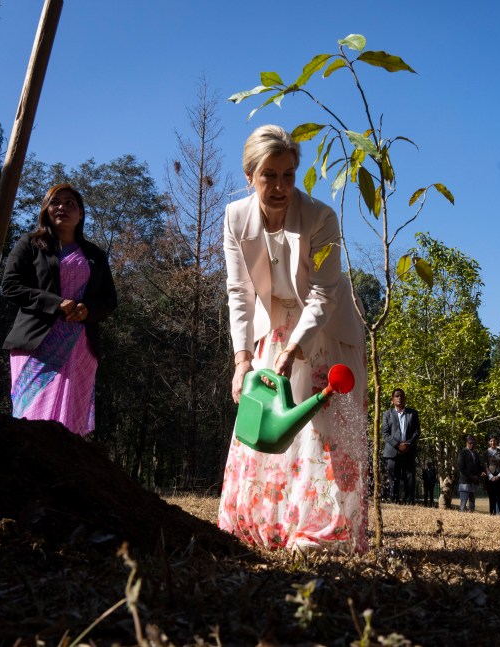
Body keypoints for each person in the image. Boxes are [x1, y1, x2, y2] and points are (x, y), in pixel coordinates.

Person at [217, 125, 368, 554]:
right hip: (274, 330)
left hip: (325, 331)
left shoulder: (321, 217)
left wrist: (295, 348)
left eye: (288, 175)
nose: (281, 186)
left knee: (323, 432)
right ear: (250, 175)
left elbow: (325, 291)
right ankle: (263, 525)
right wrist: (242, 359)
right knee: (268, 426)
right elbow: (240, 291)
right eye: (270, 175)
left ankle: (324, 533)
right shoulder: (234, 218)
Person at [1, 183, 117, 437]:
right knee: (30, 420)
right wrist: (56, 304)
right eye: (55, 202)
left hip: (80, 348)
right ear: (46, 209)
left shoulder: (95, 255)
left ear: (81, 214)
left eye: (70, 203)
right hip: (37, 345)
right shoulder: (31, 244)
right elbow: (10, 285)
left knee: (68, 433)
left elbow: (109, 300)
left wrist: (88, 309)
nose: (62, 207)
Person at [382, 388, 420, 504]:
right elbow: (385, 433)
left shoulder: (413, 413)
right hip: (393, 452)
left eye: (402, 396)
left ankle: (409, 502)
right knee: (393, 478)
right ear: (392, 400)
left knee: (410, 478)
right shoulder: (387, 414)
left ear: (405, 399)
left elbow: (417, 432)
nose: (399, 398)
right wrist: (398, 445)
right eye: (397, 396)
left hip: (409, 450)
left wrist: (407, 444)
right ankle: (394, 501)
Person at [483, 435, 500, 516]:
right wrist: (490, 476)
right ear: (489, 442)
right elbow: (485, 465)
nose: (492, 442)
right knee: (492, 497)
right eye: (491, 441)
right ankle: (492, 513)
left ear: (496, 442)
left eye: (494, 441)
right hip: (490, 477)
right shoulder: (486, 453)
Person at [457, 435, 481, 512]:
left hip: (474, 482)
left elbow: (479, 466)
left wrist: (479, 474)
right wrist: (471, 476)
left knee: (472, 504)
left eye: (473, 443)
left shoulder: (476, 454)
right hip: (465, 481)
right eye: (470, 442)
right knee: (463, 502)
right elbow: (461, 467)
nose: (472, 444)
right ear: (466, 442)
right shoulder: (463, 452)